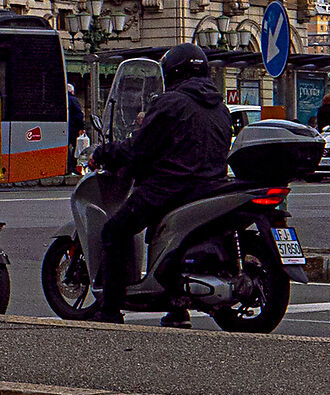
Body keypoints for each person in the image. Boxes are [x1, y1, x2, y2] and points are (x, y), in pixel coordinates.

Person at [94, 43, 231, 326]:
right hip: (210, 187)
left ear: (173, 72)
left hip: (170, 188)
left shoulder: (170, 103)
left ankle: (109, 310)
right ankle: (176, 307)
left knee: (114, 231)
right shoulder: (220, 107)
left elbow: (138, 149)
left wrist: (105, 153)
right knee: (169, 242)